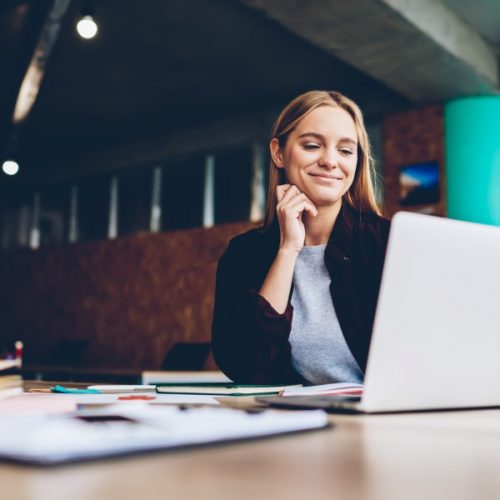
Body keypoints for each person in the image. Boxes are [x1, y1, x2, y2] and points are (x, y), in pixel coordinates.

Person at [211, 90, 390, 385]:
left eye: (345, 150)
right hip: (296, 420)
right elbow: (244, 365)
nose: (331, 161)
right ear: (278, 152)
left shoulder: (387, 243)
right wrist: (288, 250)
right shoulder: (245, 253)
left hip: (387, 420)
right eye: (311, 145)